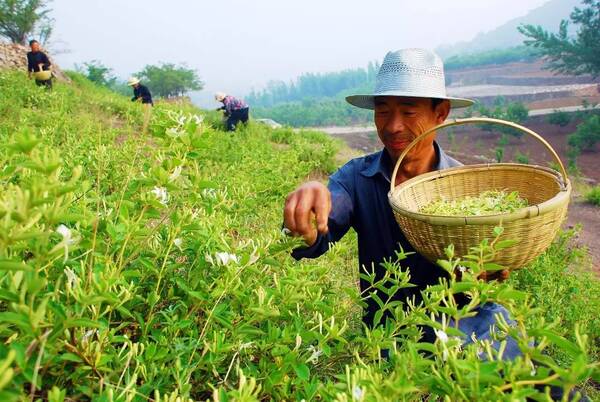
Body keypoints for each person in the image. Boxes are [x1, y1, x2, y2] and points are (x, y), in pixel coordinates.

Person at [283, 48, 519, 354]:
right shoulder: (357, 179)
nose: (393, 126)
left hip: (467, 330)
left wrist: (491, 270)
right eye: (383, 111)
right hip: (391, 339)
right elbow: (324, 222)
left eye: (408, 112)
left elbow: (487, 274)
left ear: (441, 113)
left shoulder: (466, 190)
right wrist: (307, 219)